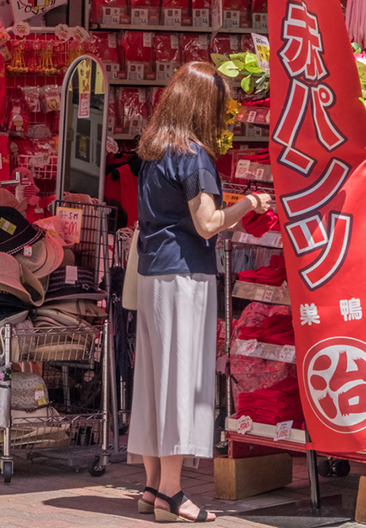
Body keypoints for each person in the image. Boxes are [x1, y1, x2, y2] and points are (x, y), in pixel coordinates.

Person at [128, 62, 271, 523]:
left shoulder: (153, 150)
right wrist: (249, 204)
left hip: (153, 272)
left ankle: (152, 487)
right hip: (184, 275)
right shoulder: (194, 156)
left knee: (153, 379)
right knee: (180, 380)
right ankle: (171, 493)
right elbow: (207, 222)